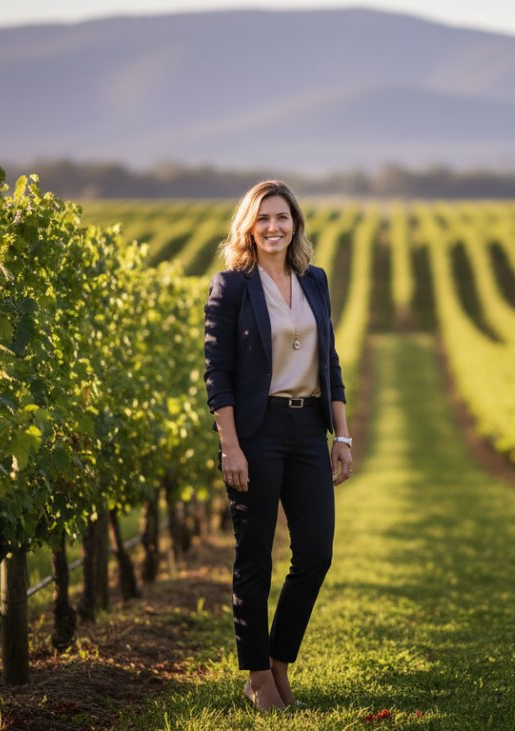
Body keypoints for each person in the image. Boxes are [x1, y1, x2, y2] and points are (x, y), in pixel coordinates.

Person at [203, 179, 353, 711]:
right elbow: (217, 373)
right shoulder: (231, 287)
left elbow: (329, 361)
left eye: (282, 218)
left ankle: (280, 659)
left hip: (309, 430)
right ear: (249, 225)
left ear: (296, 226)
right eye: (263, 218)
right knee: (255, 558)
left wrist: (342, 435)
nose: (273, 227)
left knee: (316, 552)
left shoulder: (315, 281)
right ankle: (257, 676)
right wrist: (231, 446)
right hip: (257, 433)